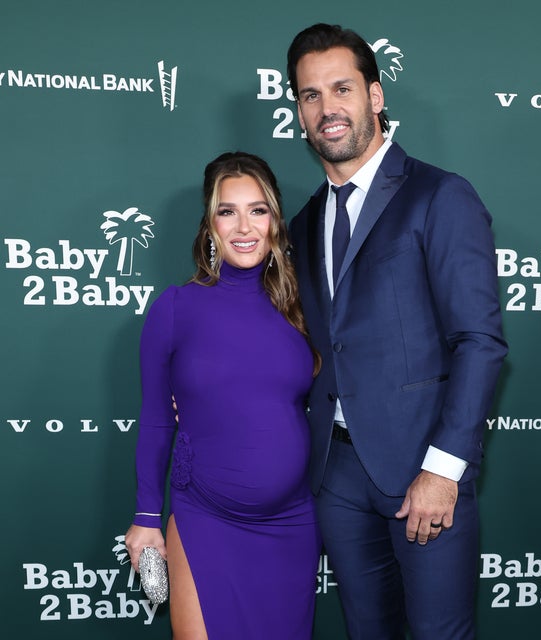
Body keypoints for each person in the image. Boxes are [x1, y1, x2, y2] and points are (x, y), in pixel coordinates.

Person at [286, 23, 508, 639]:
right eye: (310, 95)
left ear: (375, 96)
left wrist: (444, 469)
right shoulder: (302, 224)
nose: (328, 109)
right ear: (300, 113)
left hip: (423, 469)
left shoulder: (440, 196)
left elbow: (480, 342)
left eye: (342, 89)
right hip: (336, 477)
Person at [124, 151, 321, 639]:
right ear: (209, 225)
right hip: (205, 518)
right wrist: (146, 516)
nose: (244, 227)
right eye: (227, 211)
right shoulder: (175, 308)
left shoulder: (304, 308)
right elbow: (156, 418)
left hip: (290, 525)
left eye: (258, 210)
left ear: (275, 219)